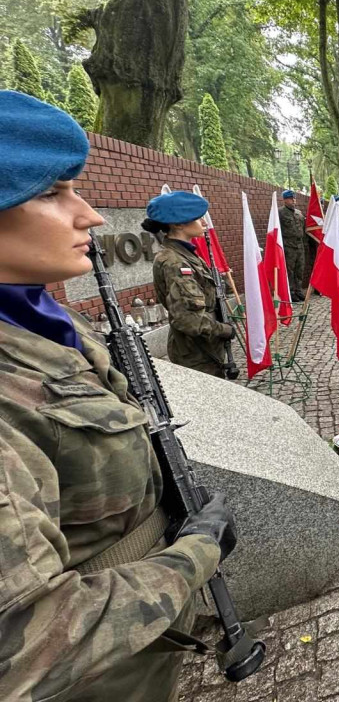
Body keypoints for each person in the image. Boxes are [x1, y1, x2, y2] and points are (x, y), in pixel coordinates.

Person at [0, 90, 237, 702]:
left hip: (140, 637)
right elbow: (24, 638)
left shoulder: (42, 317)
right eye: (53, 193)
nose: (91, 215)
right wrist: (192, 558)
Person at [145, 191, 236, 377]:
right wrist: (224, 330)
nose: (204, 223)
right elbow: (188, 320)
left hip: (205, 347)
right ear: (178, 224)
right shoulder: (175, 262)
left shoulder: (187, 255)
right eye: (198, 219)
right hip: (195, 353)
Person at [279, 189, 307, 301]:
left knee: (300, 269)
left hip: (299, 245)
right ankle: (290, 292)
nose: (293, 200)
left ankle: (298, 290)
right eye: (291, 199)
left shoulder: (299, 213)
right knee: (289, 270)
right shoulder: (280, 212)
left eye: (294, 198)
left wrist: (305, 244)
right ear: (285, 200)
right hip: (288, 246)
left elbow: (303, 229)